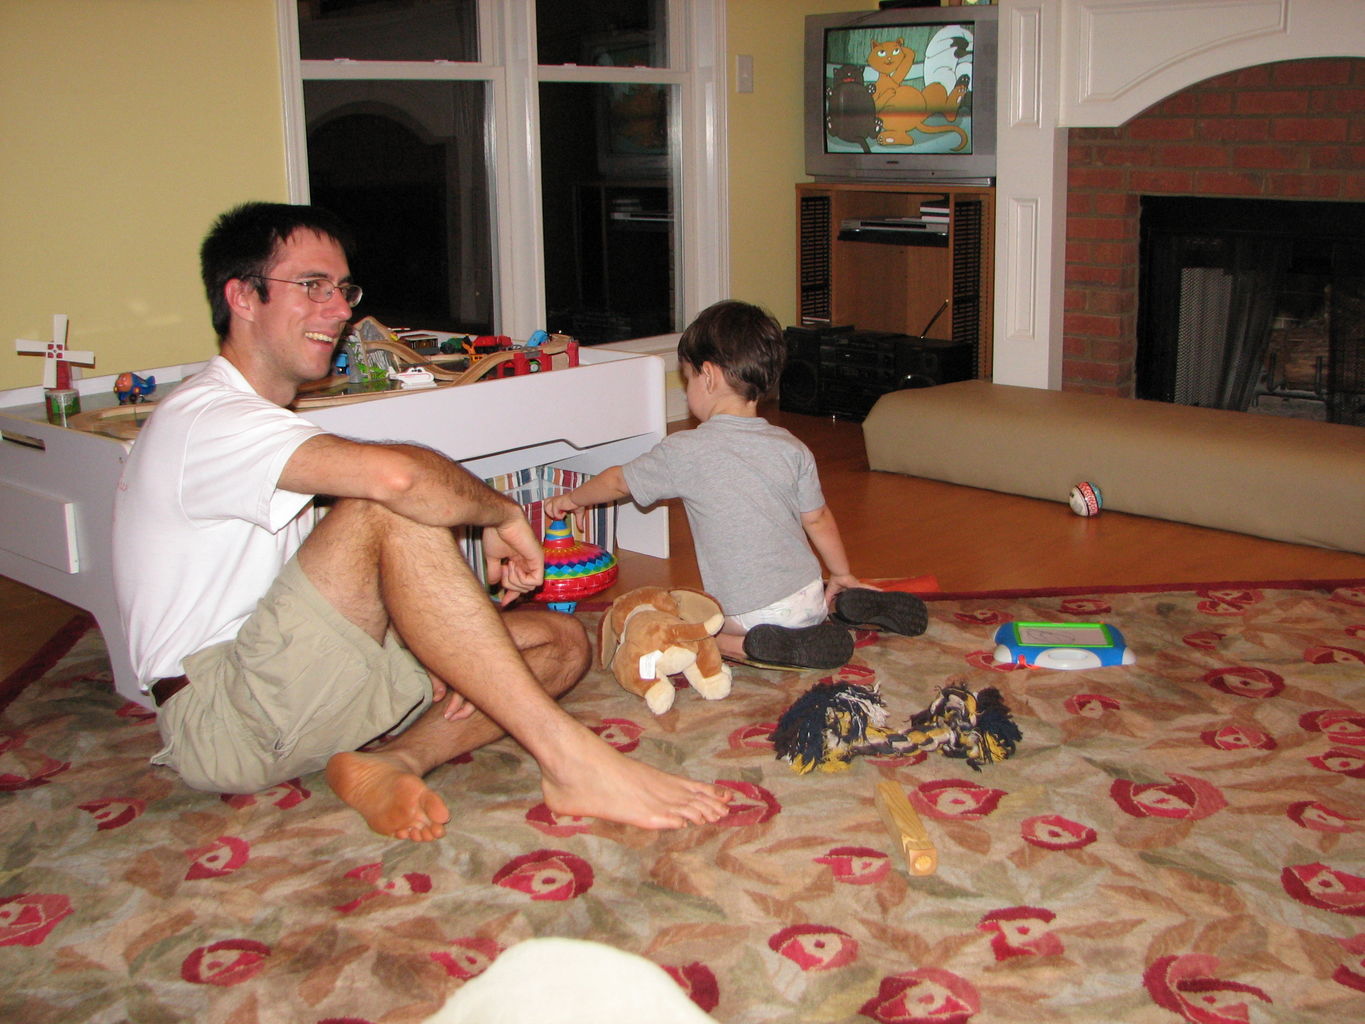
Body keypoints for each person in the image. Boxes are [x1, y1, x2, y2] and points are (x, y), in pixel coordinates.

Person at [112, 201, 730, 841]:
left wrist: (439, 644)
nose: (339, 309)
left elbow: (333, 587)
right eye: (312, 287)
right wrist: (500, 512)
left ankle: (390, 763)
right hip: (227, 713)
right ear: (242, 296)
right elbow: (399, 482)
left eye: (343, 289)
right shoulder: (204, 420)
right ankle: (572, 761)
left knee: (560, 646)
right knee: (384, 503)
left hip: (301, 688)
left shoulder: (264, 424)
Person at [543, 299, 925, 671]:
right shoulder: (791, 446)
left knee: (689, 624)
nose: (687, 387)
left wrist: (572, 499)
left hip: (751, 613)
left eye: (688, 376)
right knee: (797, 594)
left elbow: (615, 481)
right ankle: (839, 606)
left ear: (707, 375)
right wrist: (841, 576)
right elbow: (819, 518)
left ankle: (750, 645)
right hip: (809, 593)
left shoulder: (686, 450)